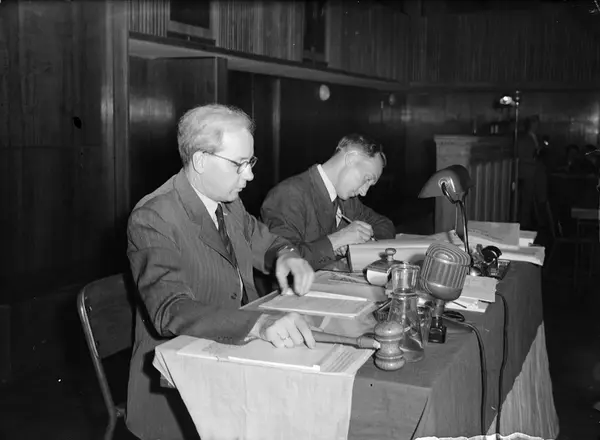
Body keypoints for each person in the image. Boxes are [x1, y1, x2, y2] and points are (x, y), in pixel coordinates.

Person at [126, 104, 317, 440]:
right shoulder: (153, 217)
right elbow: (171, 309)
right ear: (201, 160)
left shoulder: (229, 203)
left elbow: (266, 242)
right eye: (238, 164)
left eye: (250, 162)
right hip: (179, 384)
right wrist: (258, 324)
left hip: (234, 358)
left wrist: (287, 255)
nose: (250, 176)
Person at [260, 134, 395, 270]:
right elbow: (282, 261)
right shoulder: (288, 194)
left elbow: (385, 225)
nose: (364, 192)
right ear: (351, 159)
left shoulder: (348, 201)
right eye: (367, 179)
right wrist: (338, 240)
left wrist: (363, 241)